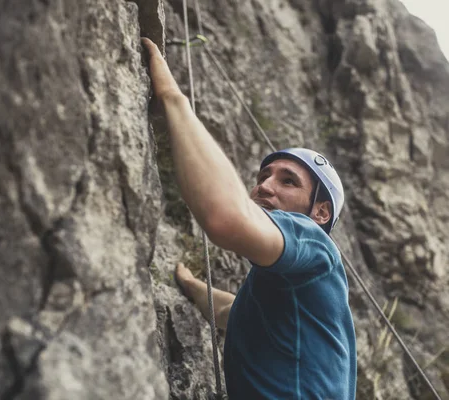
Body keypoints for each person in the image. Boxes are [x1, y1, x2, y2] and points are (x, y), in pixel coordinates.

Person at [142, 37, 357, 400]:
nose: (264, 187)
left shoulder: (313, 244)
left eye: (288, 181)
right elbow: (231, 309)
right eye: (263, 178)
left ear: (320, 212)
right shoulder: (287, 287)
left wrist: (172, 98)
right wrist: (192, 285)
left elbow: (225, 216)